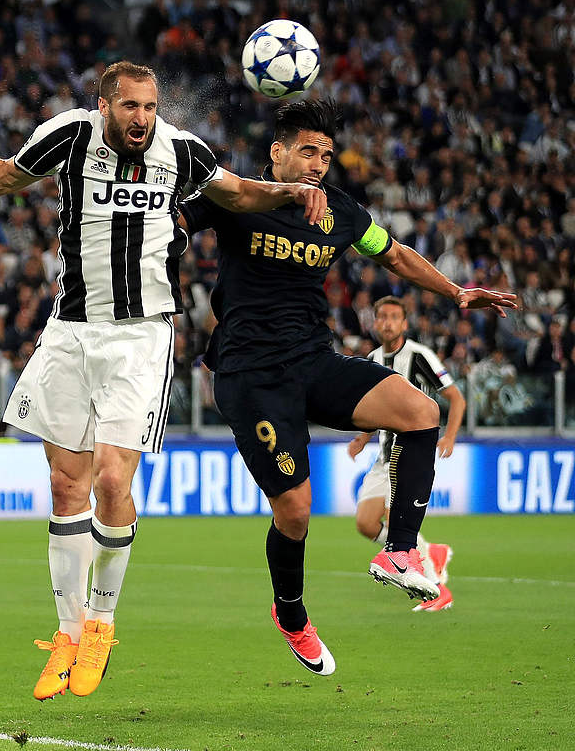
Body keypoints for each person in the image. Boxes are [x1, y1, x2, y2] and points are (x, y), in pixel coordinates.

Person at [0, 60, 328, 699]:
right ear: (105, 104)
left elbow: (238, 194)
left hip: (141, 336)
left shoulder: (182, 152)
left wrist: (288, 191)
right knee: (64, 484)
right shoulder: (69, 136)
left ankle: (103, 623)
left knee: (113, 478)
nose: (143, 117)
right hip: (70, 329)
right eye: (131, 106)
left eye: (151, 106)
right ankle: (68, 632)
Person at [177, 101, 514, 675]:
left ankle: (400, 549)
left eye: (326, 154)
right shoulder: (237, 197)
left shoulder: (340, 211)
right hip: (251, 375)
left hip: (313, 360)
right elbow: (171, 227)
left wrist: (455, 291)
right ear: (276, 153)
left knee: (418, 409)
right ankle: (292, 615)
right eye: (307, 150)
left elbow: (397, 255)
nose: (318, 163)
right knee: (296, 513)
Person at [348, 297, 462, 612]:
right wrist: (363, 438)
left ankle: (436, 587)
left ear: (404, 324)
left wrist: (449, 434)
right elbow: (372, 407)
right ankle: (430, 552)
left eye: (393, 317)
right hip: (382, 457)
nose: (386, 322)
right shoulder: (371, 358)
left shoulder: (419, 355)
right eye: (381, 316)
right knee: (366, 524)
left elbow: (455, 397)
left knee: (394, 520)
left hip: (408, 454)